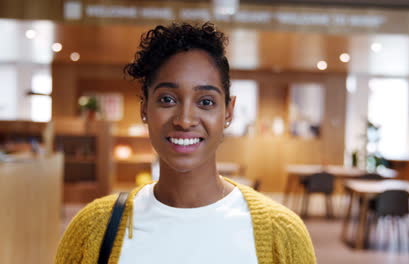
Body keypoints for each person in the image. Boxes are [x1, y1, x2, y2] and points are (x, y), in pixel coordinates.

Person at [55, 22, 316, 264]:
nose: (185, 119)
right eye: (168, 99)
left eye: (205, 101)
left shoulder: (281, 234)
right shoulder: (94, 229)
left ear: (228, 111)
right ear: (145, 108)